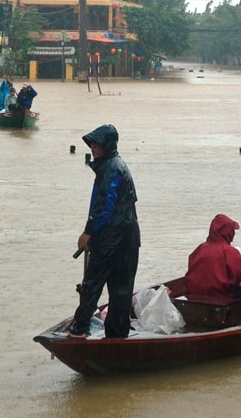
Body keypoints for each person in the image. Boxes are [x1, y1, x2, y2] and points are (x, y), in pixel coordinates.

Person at [67, 124, 141, 339]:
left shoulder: (111, 168)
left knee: (93, 284)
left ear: (107, 145)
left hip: (112, 238)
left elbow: (104, 206)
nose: (92, 147)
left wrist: (88, 232)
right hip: (128, 239)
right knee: (121, 291)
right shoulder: (116, 165)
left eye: (96, 144)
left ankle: (79, 329)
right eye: (91, 143)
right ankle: (117, 336)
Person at [185, 213, 241, 301]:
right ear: (228, 232)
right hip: (220, 298)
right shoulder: (230, 252)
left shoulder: (199, 249)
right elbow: (238, 277)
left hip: (193, 297)